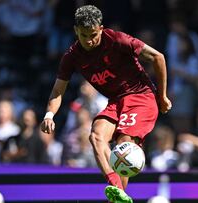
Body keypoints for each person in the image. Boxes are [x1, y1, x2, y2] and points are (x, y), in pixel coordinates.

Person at [40, 5, 171, 203]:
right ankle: (117, 190)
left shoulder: (117, 40)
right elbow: (58, 91)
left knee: (123, 144)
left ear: (100, 28)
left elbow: (157, 57)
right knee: (96, 135)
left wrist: (161, 96)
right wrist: (49, 115)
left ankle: (118, 194)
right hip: (116, 101)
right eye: (84, 35)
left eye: (93, 34)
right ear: (76, 31)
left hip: (141, 97)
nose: (90, 40)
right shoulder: (72, 56)